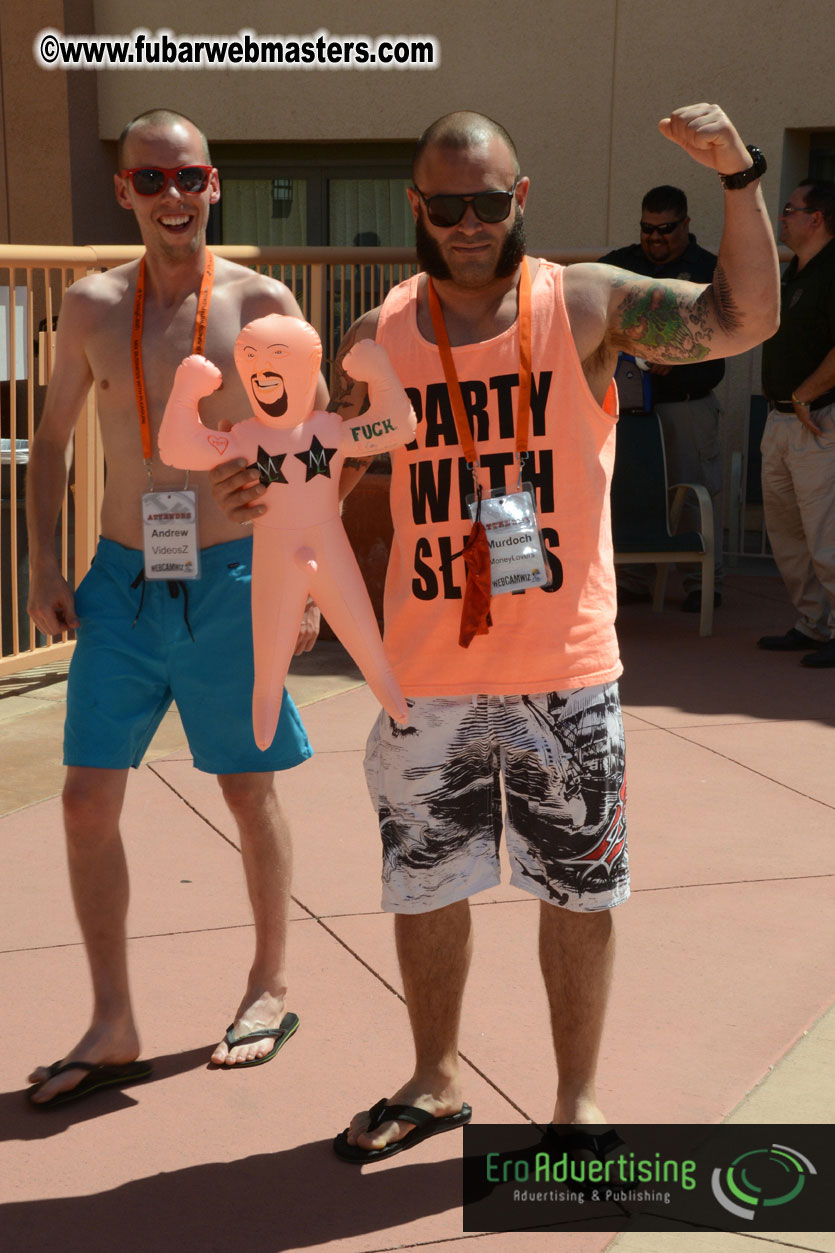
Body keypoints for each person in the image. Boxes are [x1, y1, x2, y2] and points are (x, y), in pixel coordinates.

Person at [213, 104, 778, 1159]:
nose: (468, 221)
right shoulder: (376, 336)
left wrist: (739, 179)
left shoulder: (588, 305)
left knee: (578, 888)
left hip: (564, 667)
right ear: (416, 207)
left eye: (488, 201)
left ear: (519, 199)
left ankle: (576, 1101)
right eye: (446, 203)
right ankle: (433, 1079)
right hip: (423, 671)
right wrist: (273, 523)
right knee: (426, 882)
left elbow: (742, 318)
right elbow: (325, 473)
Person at [25, 108, 329, 1106]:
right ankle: (113, 1020)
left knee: (246, 788)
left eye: (187, 177)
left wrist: (306, 575)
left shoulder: (262, 300)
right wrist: (43, 559)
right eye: (149, 181)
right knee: (84, 797)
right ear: (123, 192)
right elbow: (55, 434)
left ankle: (268, 983)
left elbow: (305, 453)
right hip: (120, 577)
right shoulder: (88, 307)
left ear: (214, 185)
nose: (170, 197)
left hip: (234, 575)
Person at [601, 186, 726, 612]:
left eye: (665, 230)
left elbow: (727, 337)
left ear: (686, 225)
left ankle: (701, 582)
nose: (655, 239)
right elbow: (582, 306)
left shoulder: (708, 268)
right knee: (630, 493)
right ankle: (633, 578)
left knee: (695, 492)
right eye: (647, 229)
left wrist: (683, 356)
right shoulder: (621, 265)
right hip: (631, 409)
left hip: (686, 401)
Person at [757, 179, 835, 668]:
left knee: (826, 534)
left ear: (817, 218)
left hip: (818, 420)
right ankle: (812, 623)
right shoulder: (795, 270)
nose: (782, 218)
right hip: (781, 419)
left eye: (790, 210)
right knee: (787, 534)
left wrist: (806, 393)